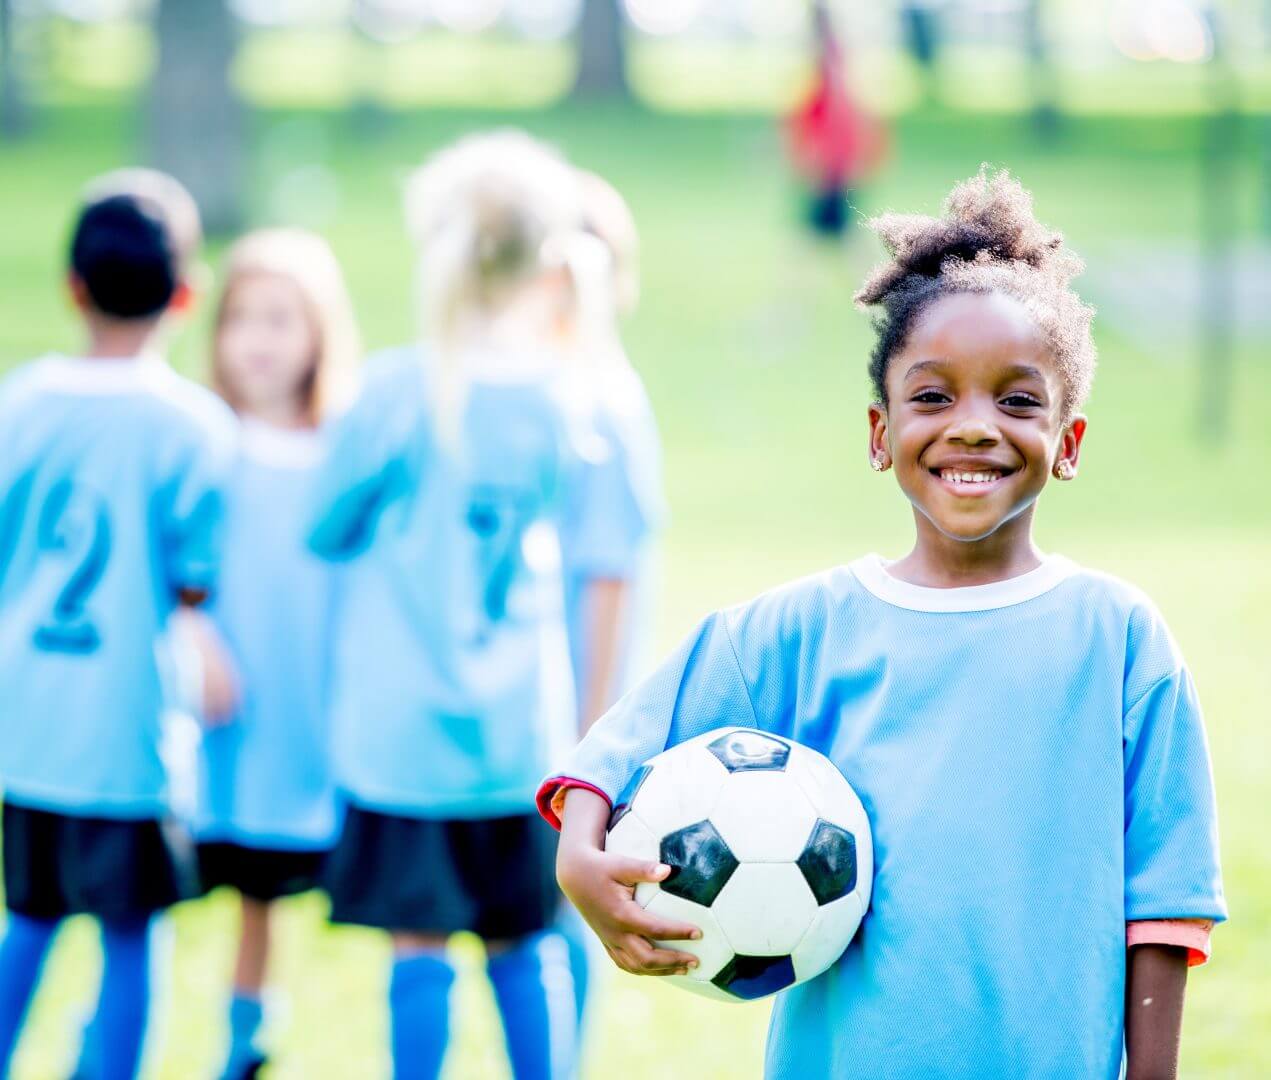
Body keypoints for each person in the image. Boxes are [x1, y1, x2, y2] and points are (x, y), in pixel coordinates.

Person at [540, 169, 1225, 1080]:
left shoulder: (1118, 640)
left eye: (1016, 401)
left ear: (1067, 442)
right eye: (933, 397)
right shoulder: (792, 633)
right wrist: (579, 859)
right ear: (879, 432)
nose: (974, 427)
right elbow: (617, 751)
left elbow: (1166, 900)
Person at [308, 131, 653, 1080]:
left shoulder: (393, 391)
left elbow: (324, 524)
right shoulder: (578, 396)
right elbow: (606, 569)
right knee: (525, 945)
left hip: (402, 743)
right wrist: (592, 738)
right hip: (521, 745)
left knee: (417, 950)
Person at [0, 170, 236, 1080]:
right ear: (187, 295)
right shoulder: (194, 428)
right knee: (131, 934)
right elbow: (193, 583)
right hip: (128, 729)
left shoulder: (17, 404)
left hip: (29, 723)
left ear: (70, 286)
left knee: (28, 917)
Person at [178, 228, 359, 1080]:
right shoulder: (203, 443)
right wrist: (197, 635)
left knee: (292, 885)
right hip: (222, 702)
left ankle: (261, 1034)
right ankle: (232, 1036)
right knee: (230, 882)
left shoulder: (343, 452)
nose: (257, 338)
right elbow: (174, 565)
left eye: (281, 319)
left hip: (313, 703)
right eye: (241, 318)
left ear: (321, 333)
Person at [786, 0, 886, 238]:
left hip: (832, 161)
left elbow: (838, 111)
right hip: (832, 156)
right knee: (830, 229)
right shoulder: (829, 57)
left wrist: (827, 156)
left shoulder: (830, 60)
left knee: (835, 229)